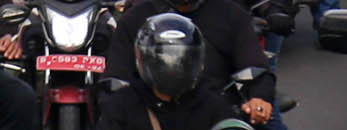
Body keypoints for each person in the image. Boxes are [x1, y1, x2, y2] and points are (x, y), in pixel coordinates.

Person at [104, 0, 276, 128]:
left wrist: (259, 98)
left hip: (215, 119)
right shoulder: (134, 20)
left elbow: (256, 68)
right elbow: (114, 83)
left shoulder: (232, 16)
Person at [93, 13, 248, 130]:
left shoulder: (214, 108)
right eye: (163, 59)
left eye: (181, 60)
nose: (172, 68)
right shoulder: (122, 105)